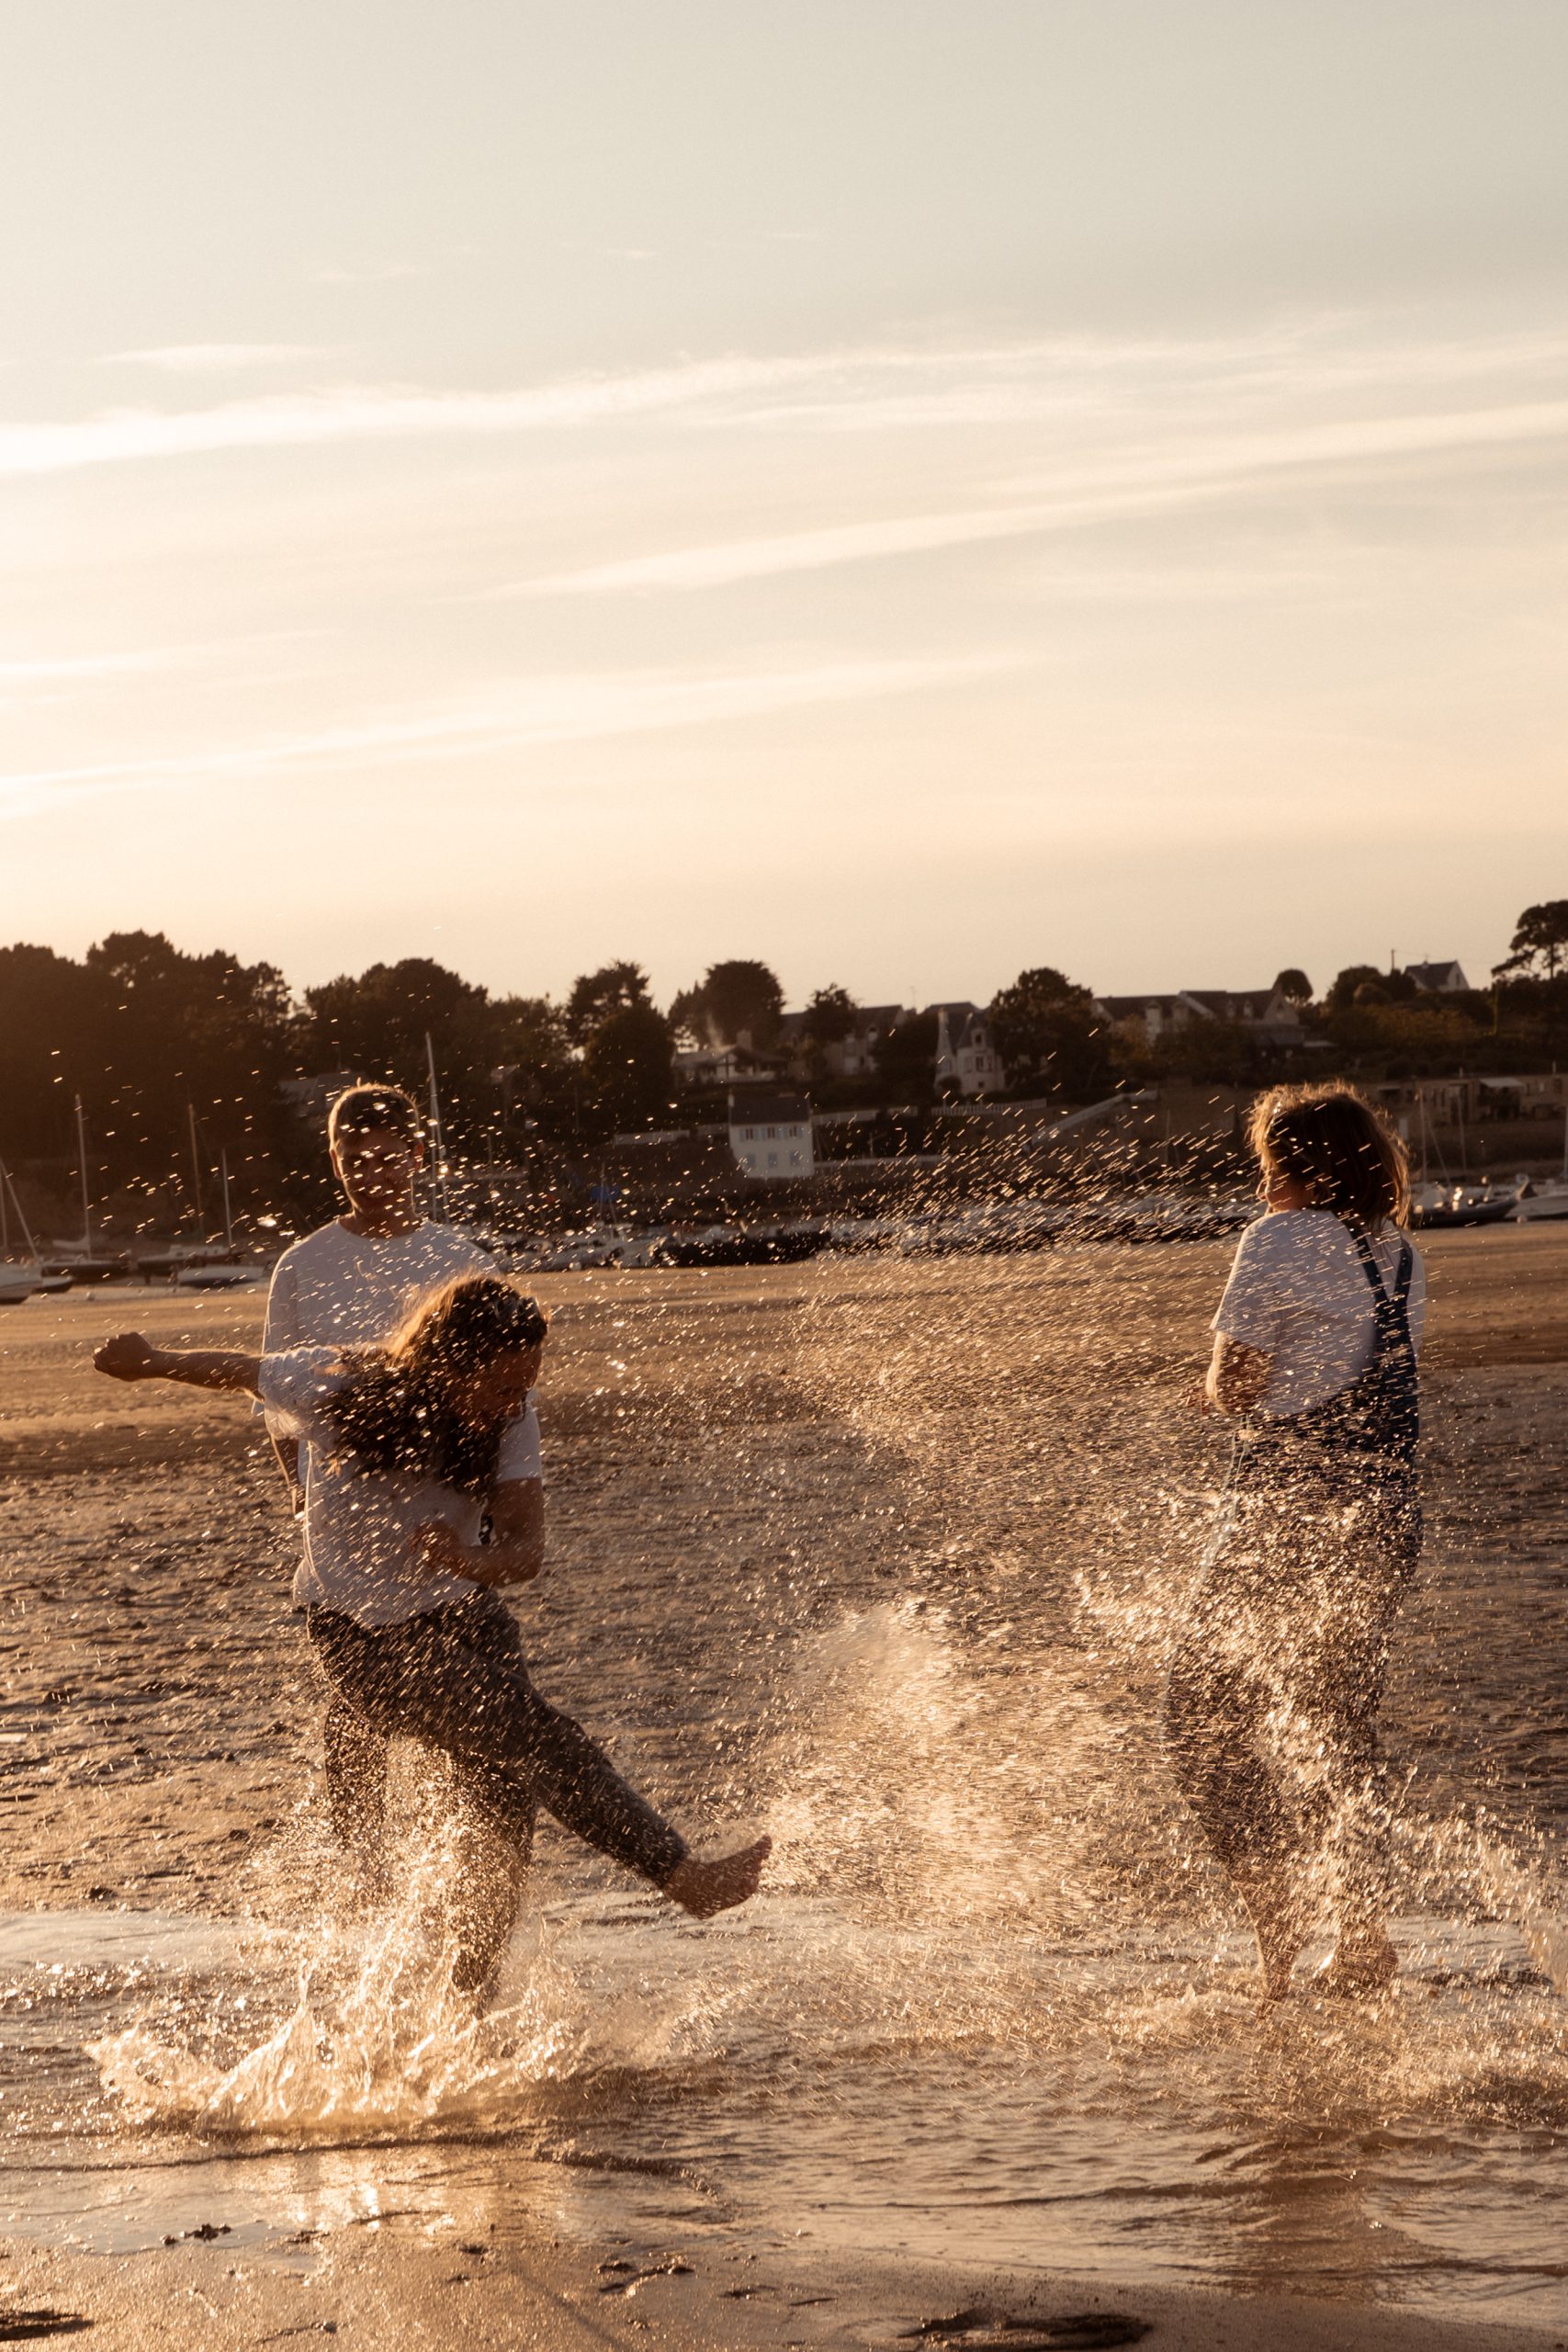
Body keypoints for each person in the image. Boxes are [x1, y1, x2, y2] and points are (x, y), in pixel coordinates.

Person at [96, 1274, 770, 1996]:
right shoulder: (338, 1383)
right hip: (364, 1640)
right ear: (448, 1361)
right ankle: (683, 1878)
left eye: (526, 1385)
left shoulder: (513, 1418)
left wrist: (466, 1559)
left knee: (503, 1815)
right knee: (543, 1739)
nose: (513, 1402)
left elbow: (525, 1552)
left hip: (468, 1622)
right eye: (500, 1384)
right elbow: (238, 1370)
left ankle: (466, 2002)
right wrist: (152, 1360)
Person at [1165, 1083, 1426, 2004]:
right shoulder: (1397, 1253)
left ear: (1299, 1170)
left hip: (1290, 1511)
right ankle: (1363, 1940)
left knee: (1199, 1712)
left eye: (1269, 1165)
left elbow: (1238, 1385)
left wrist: (1212, 1397)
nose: (1262, 1184)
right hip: (1382, 1514)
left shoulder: (1277, 1238)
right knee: (1337, 1720)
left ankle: (1277, 1946)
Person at [263, 1083, 501, 1890]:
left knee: (467, 1694)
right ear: (334, 1161)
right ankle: (365, 1868)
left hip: (444, 1521)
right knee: (356, 1705)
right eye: (354, 1158)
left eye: (387, 1156)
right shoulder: (302, 1265)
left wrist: (487, 1512)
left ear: (417, 1156)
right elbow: (276, 1401)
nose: (372, 1171)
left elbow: (498, 1390)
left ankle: (470, 1865)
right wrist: (300, 1497)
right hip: (341, 1529)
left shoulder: (460, 1259)